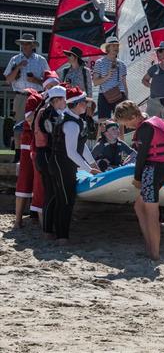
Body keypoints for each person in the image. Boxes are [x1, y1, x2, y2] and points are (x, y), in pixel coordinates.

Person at [114, 100, 164, 260]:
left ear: (133, 116)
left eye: (126, 123)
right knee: (139, 206)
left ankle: (154, 253)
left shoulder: (145, 128)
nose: (127, 127)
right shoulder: (155, 120)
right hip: (162, 169)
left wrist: (137, 178)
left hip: (151, 171)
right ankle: (149, 246)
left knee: (152, 213)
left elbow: (142, 156)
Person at [49, 87, 100, 244]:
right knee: (64, 199)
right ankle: (61, 237)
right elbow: (71, 152)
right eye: (84, 102)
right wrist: (88, 168)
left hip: (66, 163)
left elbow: (81, 145)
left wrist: (92, 163)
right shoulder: (71, 124)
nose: (86, 105)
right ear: (76, 104)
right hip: (61, 163)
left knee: (67, 198)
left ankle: (58, 233)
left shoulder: (77, 120)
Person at [33, 84, 65, 237]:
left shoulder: (46, 110)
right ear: (57, 100)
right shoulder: (50, 113)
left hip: (43, 155)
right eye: (64, 99)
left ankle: (48, 228)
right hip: (46, 155)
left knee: (51, 192)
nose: (66, 102)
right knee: (51, 193)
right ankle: (46, 230)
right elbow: (53, 136)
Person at [13, 89, 42, 228]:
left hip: (39, 143)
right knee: (25, 181)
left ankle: (37, 220)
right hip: (31, 142)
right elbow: (29, 119)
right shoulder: (35, 98)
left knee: (39, 183)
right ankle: (18, 220)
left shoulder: (52, 98)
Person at [4, 33, 48, 124]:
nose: (24, 46)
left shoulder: (41, 60)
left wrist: (35, 80)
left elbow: (49, 82)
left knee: (36, 125)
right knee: (19, 127)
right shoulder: (14, 60)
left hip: (37, 97)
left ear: (33, 45)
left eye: (27, 43)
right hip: (20, 97)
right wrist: (18, 67)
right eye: (22, 43)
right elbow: (8, 80)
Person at [93, 37, 128, 122]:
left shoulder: (122, 64)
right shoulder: (99, 62)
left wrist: (127, 99)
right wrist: (108, 76)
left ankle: (121, 136)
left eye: (117, 46)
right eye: (113, 46)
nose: (116, 48)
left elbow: (124, 82)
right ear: (108, 48)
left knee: (121, 122)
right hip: (104, 95)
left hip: (120, 94)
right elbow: (95, 82)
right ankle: (104, 136)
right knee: (103, 122)